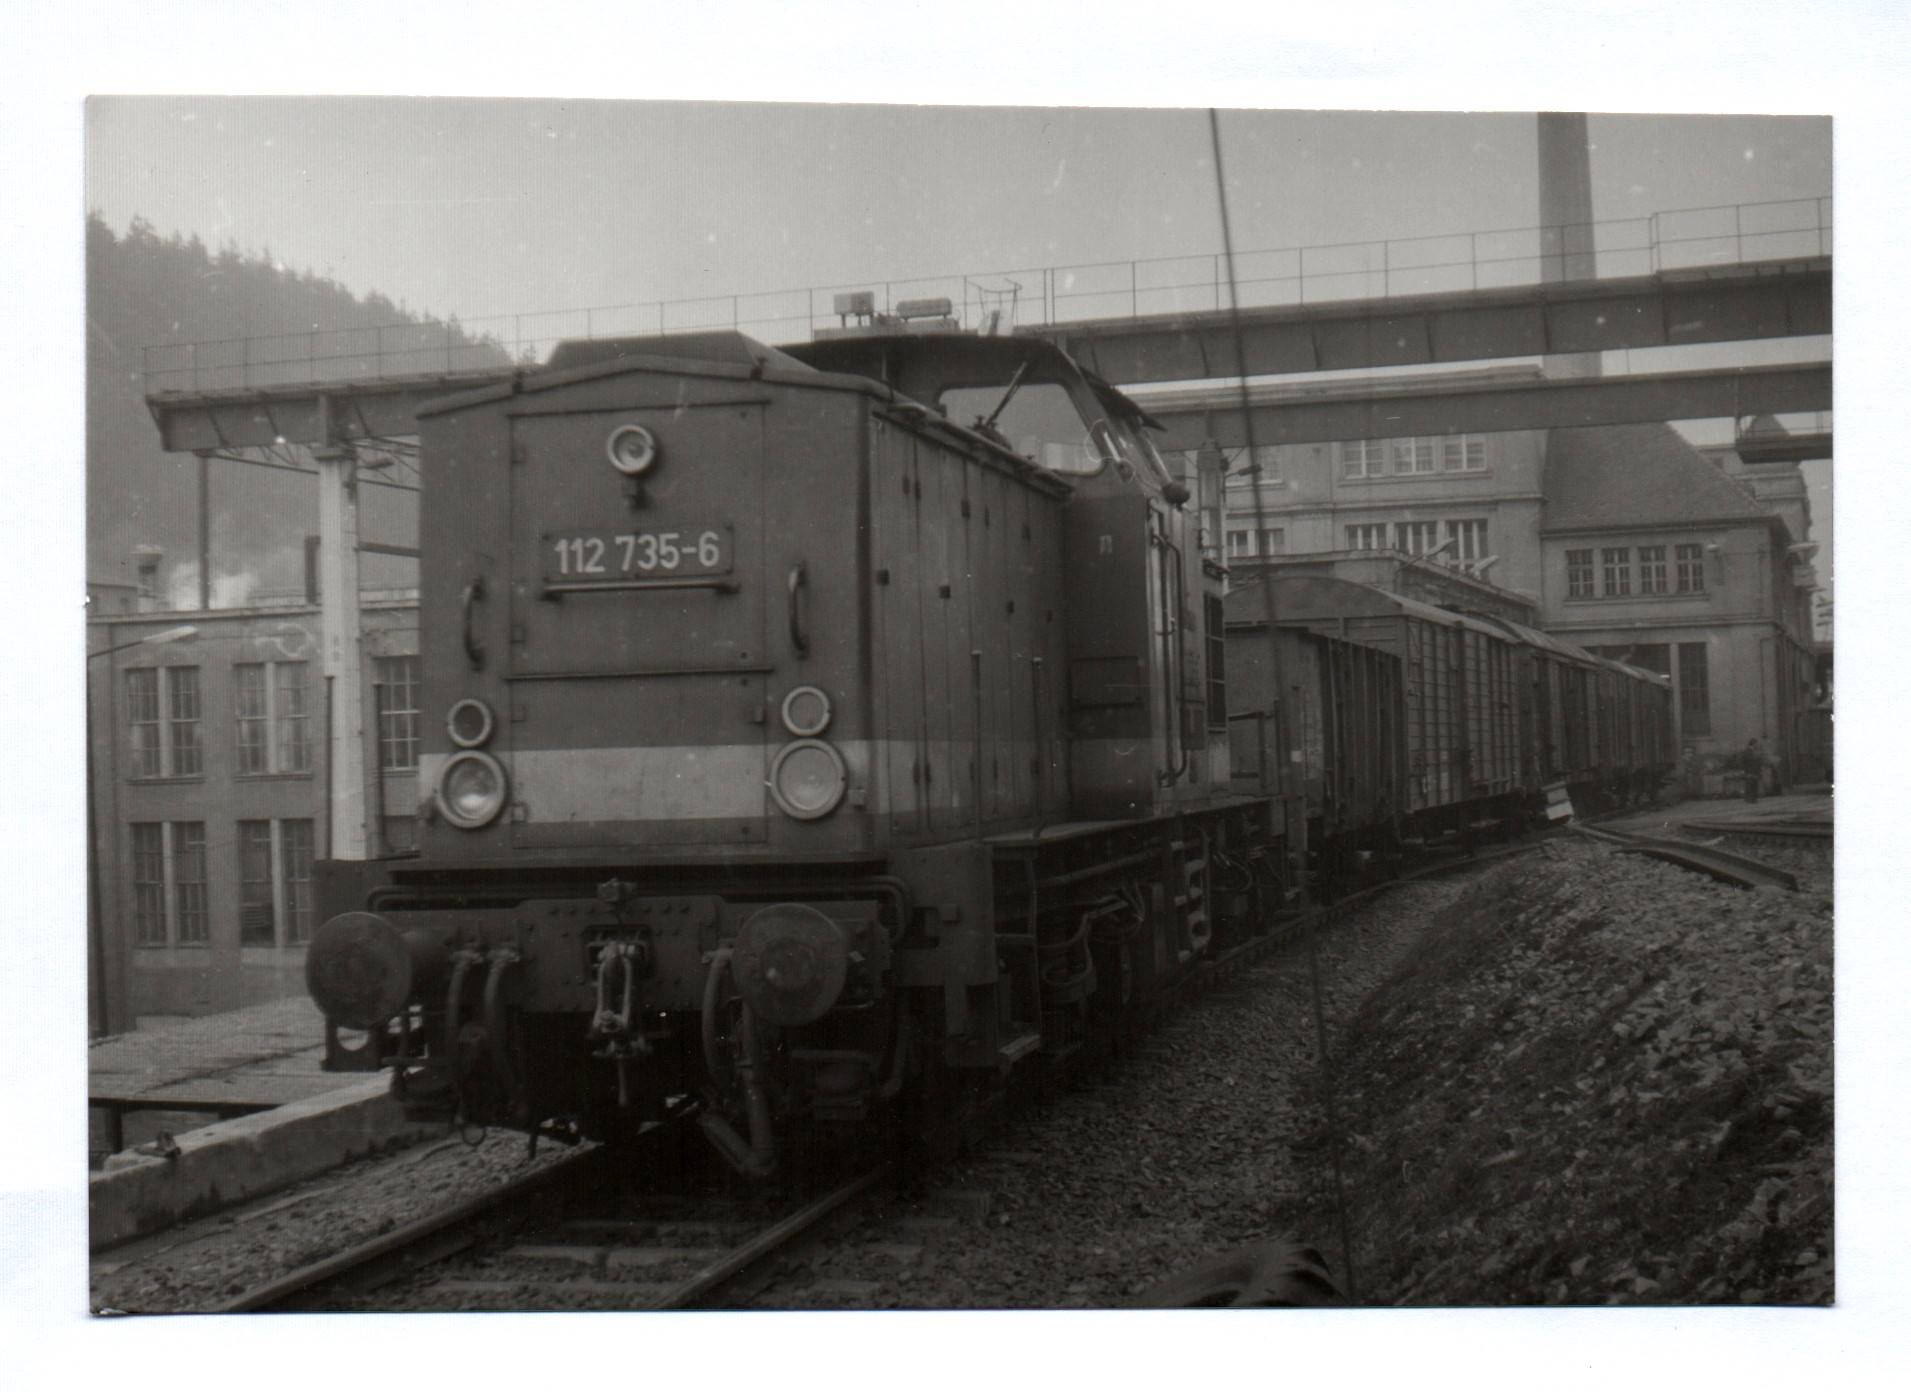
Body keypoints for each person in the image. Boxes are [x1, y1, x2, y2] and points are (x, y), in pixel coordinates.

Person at [1742, 738, 1763, 803]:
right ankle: (1748, 799)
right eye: (1756, 744)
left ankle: (1754, 799)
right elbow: (1746, 761)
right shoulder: (1747, 751)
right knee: (1749, 785)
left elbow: (1758, 761)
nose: (1757, 745)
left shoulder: (1755, 751)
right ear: (1753, 744)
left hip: (1755, 770)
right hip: (1750, 771)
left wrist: (1759, 769)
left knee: (1755, 785)